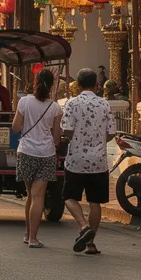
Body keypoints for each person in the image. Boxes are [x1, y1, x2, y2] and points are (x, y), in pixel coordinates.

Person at [61, 68, 115, 255]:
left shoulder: (71, 104)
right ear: (96, 85)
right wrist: (97, 141)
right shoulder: (105, 104)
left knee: (69, 196)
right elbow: (111, 134)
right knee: (95, 202)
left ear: (78, 84)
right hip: (98, 161)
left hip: (76, 159)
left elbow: (66, 131)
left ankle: (84, 227)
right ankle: (91, 244)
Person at [12, 68, 61, 248]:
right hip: (46, 154)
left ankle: (27, 234)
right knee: (38, 196)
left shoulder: (24, 102)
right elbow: (56, 137)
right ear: (52, 86)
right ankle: (33, 238)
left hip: (26, 151)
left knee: (30, 196)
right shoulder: (55, 107)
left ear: (35, 82)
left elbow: (16, 127)